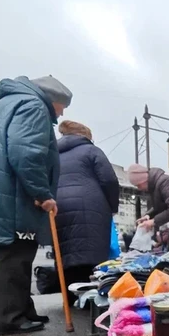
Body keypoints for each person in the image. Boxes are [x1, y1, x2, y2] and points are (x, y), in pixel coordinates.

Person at [0, 75, 69, 336]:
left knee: (17, 255)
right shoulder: (34, 106)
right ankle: (8, 319)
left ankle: (21, 310)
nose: (61, 114)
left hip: (0, 192)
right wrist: (42, 193)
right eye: (63, 106)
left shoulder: (7, 105)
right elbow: (26, 153)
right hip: (14, 197)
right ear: (53, 100)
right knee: (13, 258)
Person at [53, 120, 120, 288]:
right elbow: (109, 180)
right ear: (84, 135)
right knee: (93, 254)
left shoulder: (53, 154)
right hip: (92, 208)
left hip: (58, 207)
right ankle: (90, 297)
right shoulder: (91, 150)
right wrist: (112, 207)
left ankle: (70, 296)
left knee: (66, 253)